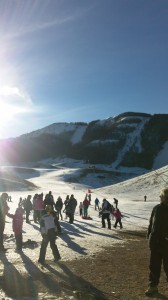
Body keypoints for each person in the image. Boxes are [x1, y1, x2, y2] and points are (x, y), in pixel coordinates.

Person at [145, 188, 168, 296]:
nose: (160, 197)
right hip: (155, 243)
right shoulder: (157, 208)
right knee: (154, 266)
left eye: (161, 195)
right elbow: (151, 223)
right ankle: (153, 287)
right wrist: (148, 236)